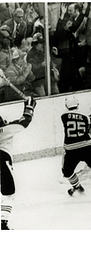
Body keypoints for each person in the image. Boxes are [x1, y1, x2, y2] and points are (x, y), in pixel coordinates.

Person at [0, 95, 36, 230]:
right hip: (2, 159)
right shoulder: (5, 130)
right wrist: (29, 106)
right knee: (8, 194)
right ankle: (3, 223)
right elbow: (25, 121)